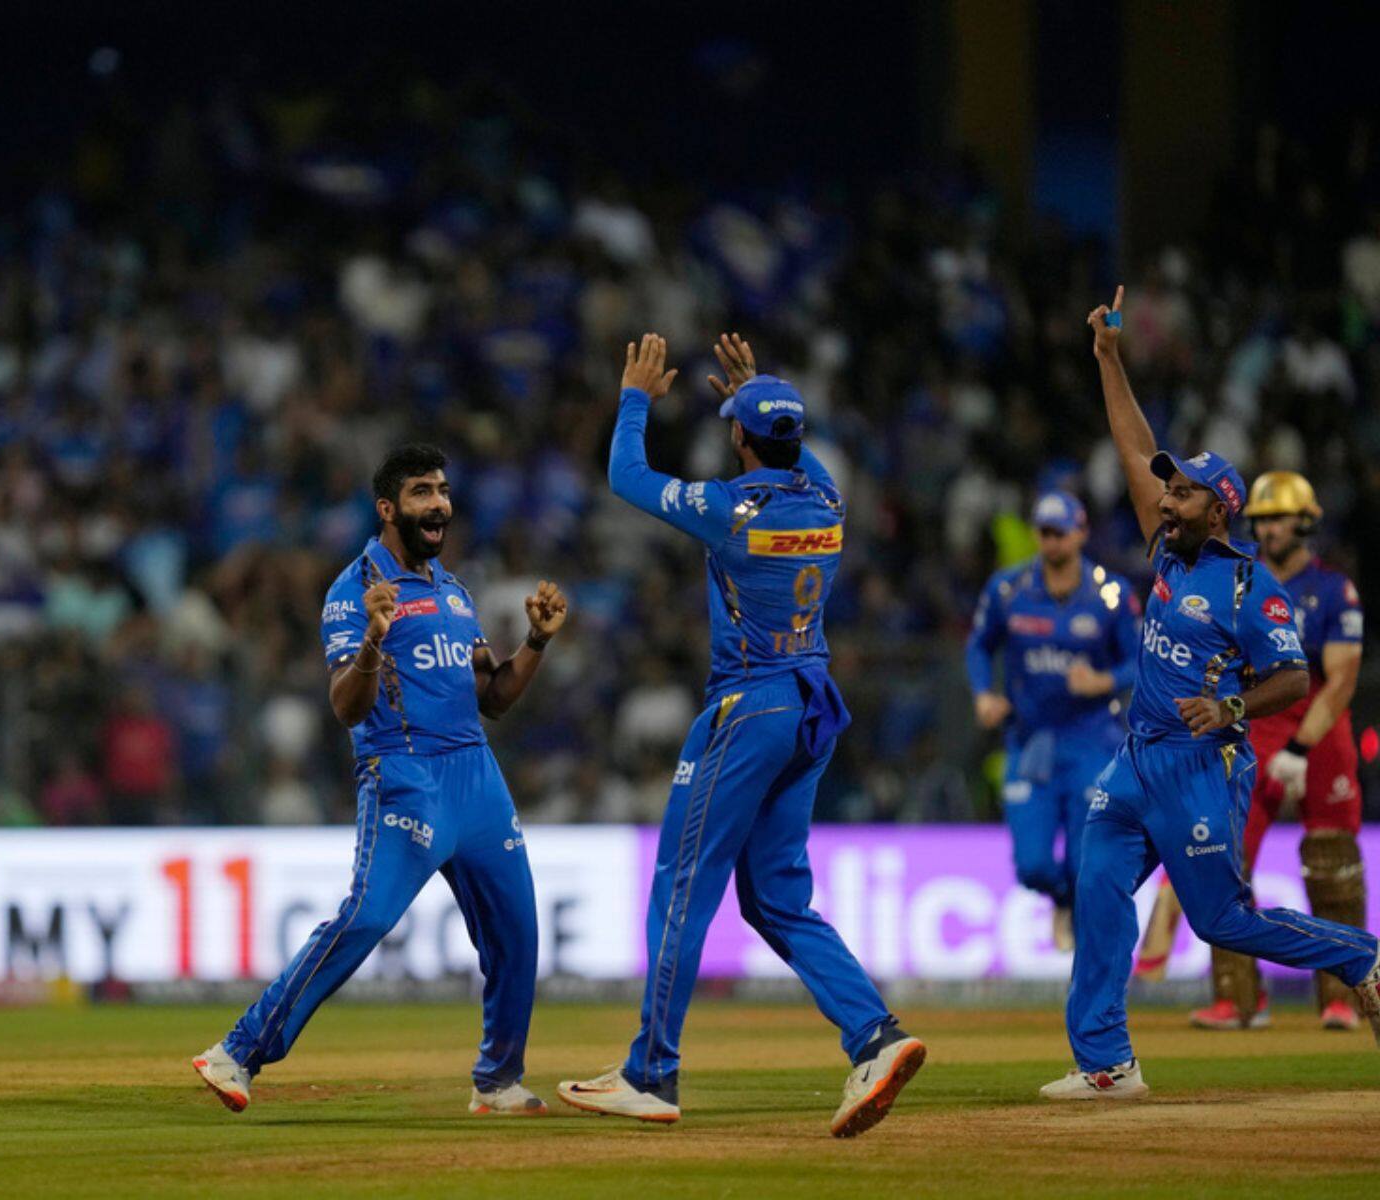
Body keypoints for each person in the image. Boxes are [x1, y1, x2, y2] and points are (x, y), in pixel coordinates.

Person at [559, 334, 925, 1137]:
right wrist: (763, 396)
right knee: (776, 898)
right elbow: (799, 455)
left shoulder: (731, 510)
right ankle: (876, 1037)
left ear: (738, 436)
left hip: (749, 706)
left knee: (683, 886)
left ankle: (651, 1072)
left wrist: (633, 400)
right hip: (812, 706)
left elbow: (626, 476)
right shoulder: (827, 500)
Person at [1044, 289, 1380, 1100]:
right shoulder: (1168, 550)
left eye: (1183, 492)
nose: (1165, 497)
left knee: (1223, 922)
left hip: (1203, 769)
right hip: (1137, 760)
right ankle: (1107, 1066)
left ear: (1218, 509)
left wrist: (1230, 708)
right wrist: (1109, 359)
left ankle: (1360, 954)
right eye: (1168, 490)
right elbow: (1135, 447)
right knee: (1095, 892)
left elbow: (1296, 678)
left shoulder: (1251, 590)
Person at [192, 443, 568, 1115]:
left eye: (444, 490)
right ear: (389, 508)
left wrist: (535, 643)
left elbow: (495, 696)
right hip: (405, 773)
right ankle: (237, 1051)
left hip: (477, 777)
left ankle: (498, 1080)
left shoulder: (452, 590)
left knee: (518, 934)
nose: (440, 503)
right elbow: (345, 706)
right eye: (423, 491)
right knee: (365, 918)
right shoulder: (354, 591)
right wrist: (372, 638)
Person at [1188, 470, 1367, 1031]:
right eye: (1261, 518)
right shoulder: (1241, 581)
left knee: (1332, 865)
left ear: (1306, 520)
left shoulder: (1335, 590)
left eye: (1280, 517)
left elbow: (1339, 682)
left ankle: (1343, 998)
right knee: (1226, 858)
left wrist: (1299, 747)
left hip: (1319, 730)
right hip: (1254, 725)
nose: (1269, 528)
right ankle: (1238, 1000)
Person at [966, 491, 1138, 951]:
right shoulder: (1009, 590)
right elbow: (979, 645)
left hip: (1094, 740)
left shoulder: (1112, 594)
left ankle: (1092, 974)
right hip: (1032, 741)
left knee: (1089, 864)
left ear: (1081, 533)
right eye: (1044, 532)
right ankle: (1061, 900)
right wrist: (984, 694)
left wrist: (1104, 680)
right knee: (1033, 865)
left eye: (1060, 532)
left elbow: (1141, 660)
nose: (1052, 541)